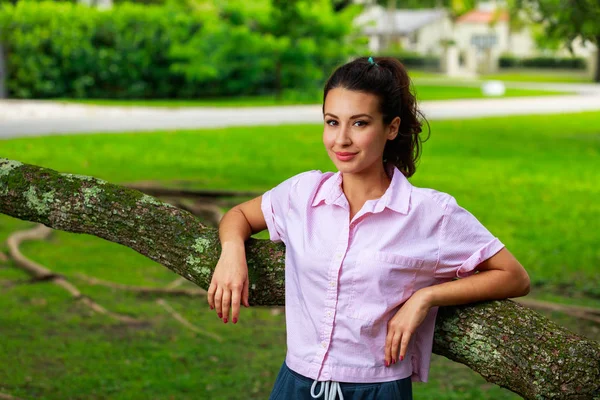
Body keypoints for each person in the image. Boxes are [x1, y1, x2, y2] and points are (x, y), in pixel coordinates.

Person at [206, 56, 531, 400]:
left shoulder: (430, 214)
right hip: (296, 383)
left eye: (359, 124)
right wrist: (232, 253)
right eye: (332, 122)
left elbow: (513, 276)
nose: (341, 139)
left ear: (391, 128)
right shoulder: (302, 195)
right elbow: (239, 215)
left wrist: (426, 297)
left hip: (378, 388)